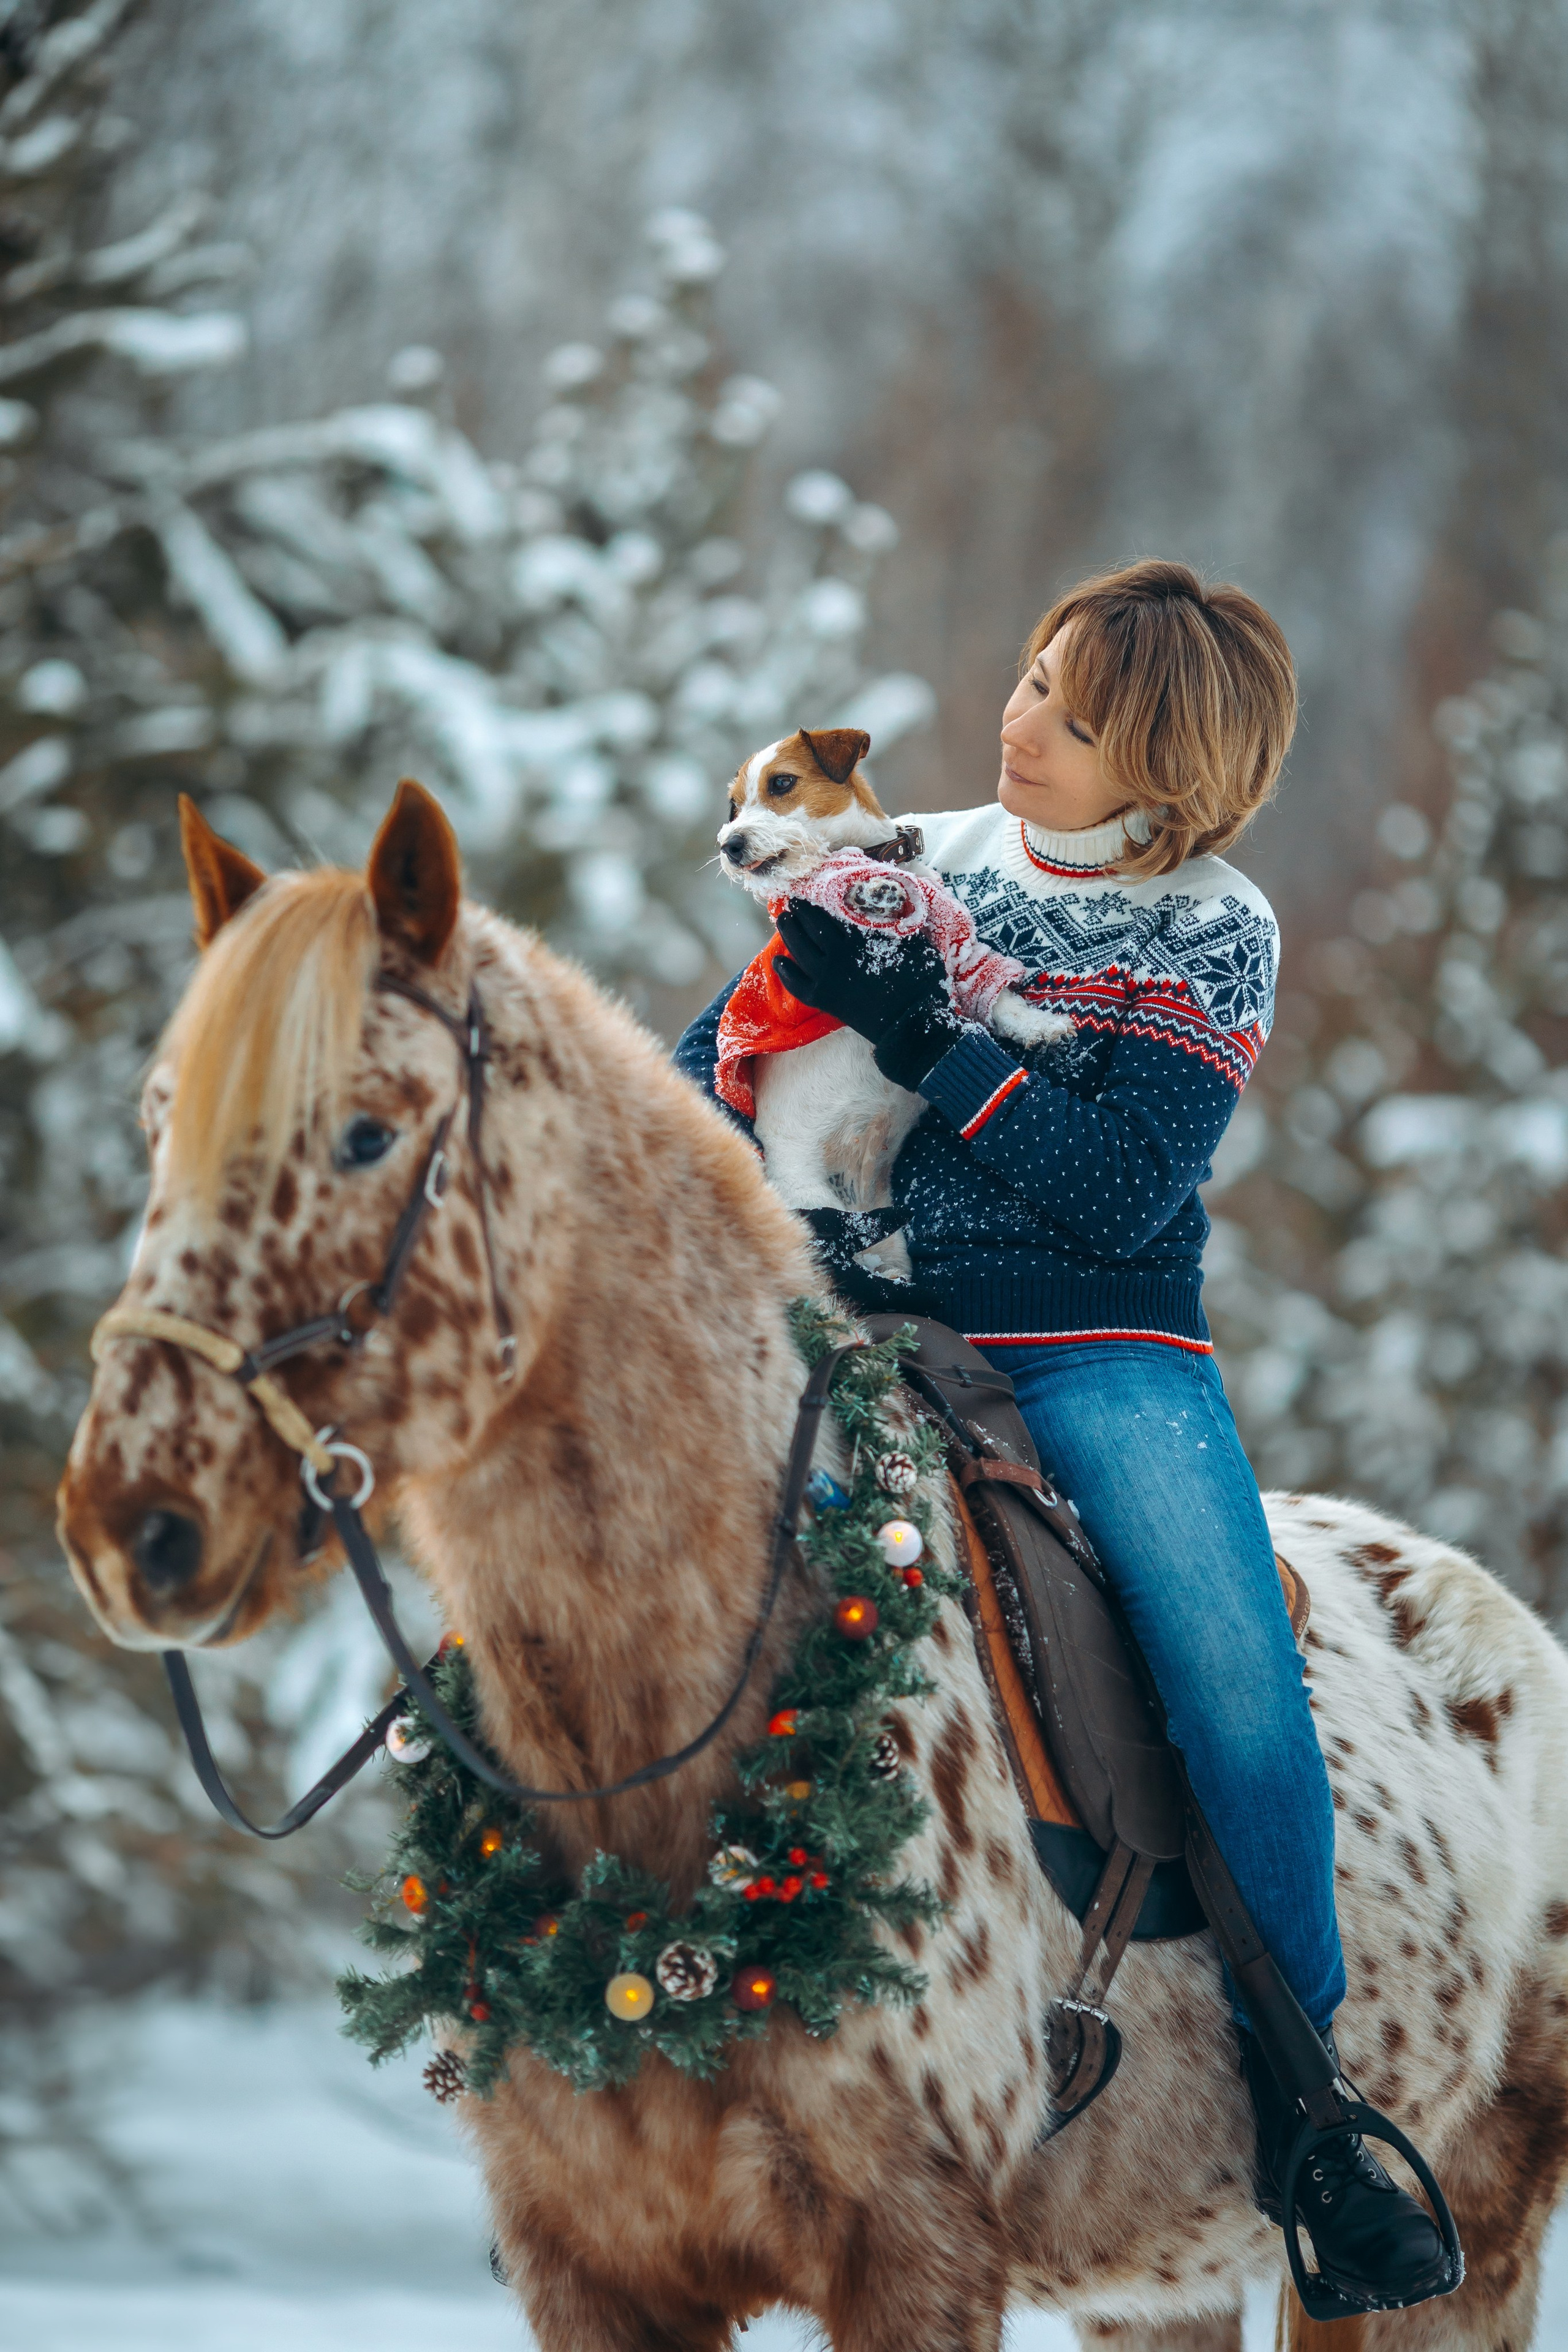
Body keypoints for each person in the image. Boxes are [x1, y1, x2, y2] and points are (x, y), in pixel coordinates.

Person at [674, 558, 1452, 2311]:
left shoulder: (1213, 930)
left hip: (1094, 1348)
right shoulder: (914, 854)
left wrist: (935, 1042)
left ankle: (1315, 2123)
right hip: (853, 1320)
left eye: (1074, 714)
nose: (1020, 721)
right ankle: (622, 2090)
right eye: (1031, 679)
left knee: (1239, 1688)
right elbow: (719, 1052)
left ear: (1167, 770)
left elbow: (1118, 1192)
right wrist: (715, 1062)